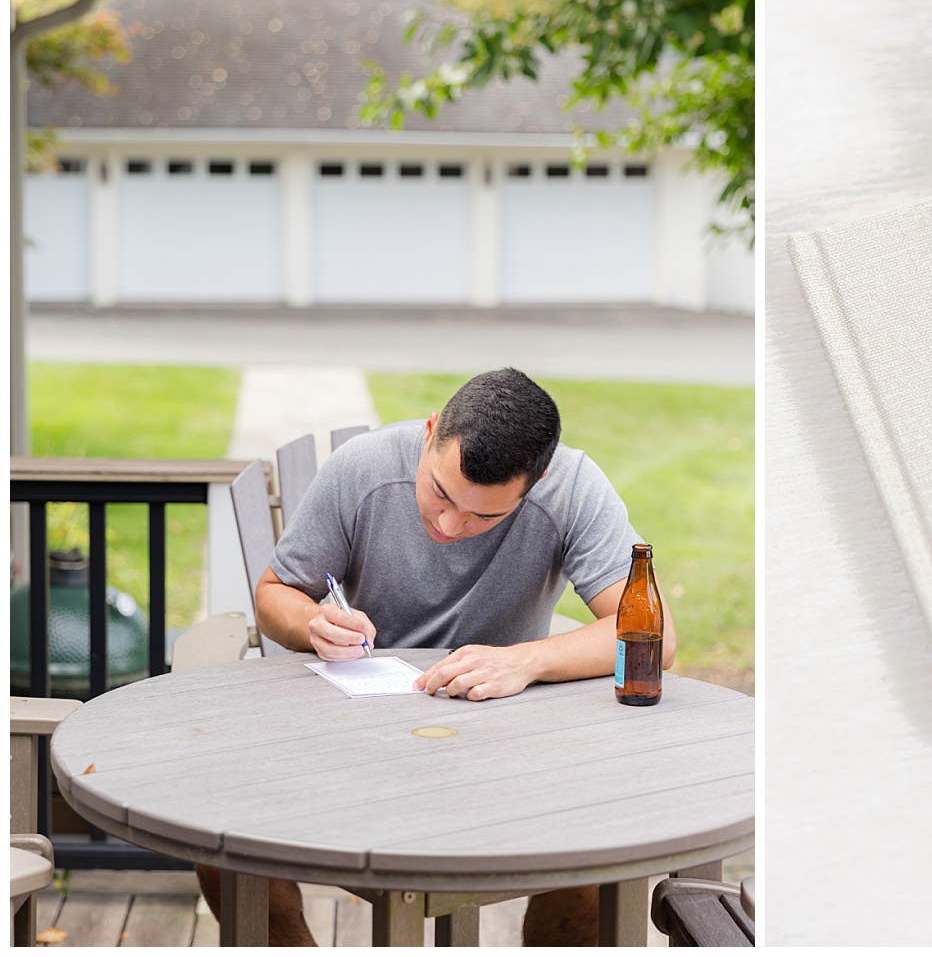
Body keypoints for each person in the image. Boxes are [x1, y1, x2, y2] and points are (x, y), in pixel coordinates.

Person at [194, 367, 675, 945]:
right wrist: (313, 622)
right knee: (216, 836)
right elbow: (276, 593)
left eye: (484, 515)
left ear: (537, 480)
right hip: (345, 743)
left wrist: (523, 661)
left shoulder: (570, 487)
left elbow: (656, 637)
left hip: (509, 752)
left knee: (601, 849)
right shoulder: (362, 469)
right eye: (440, 493)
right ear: (429, 433)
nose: (451, 524)